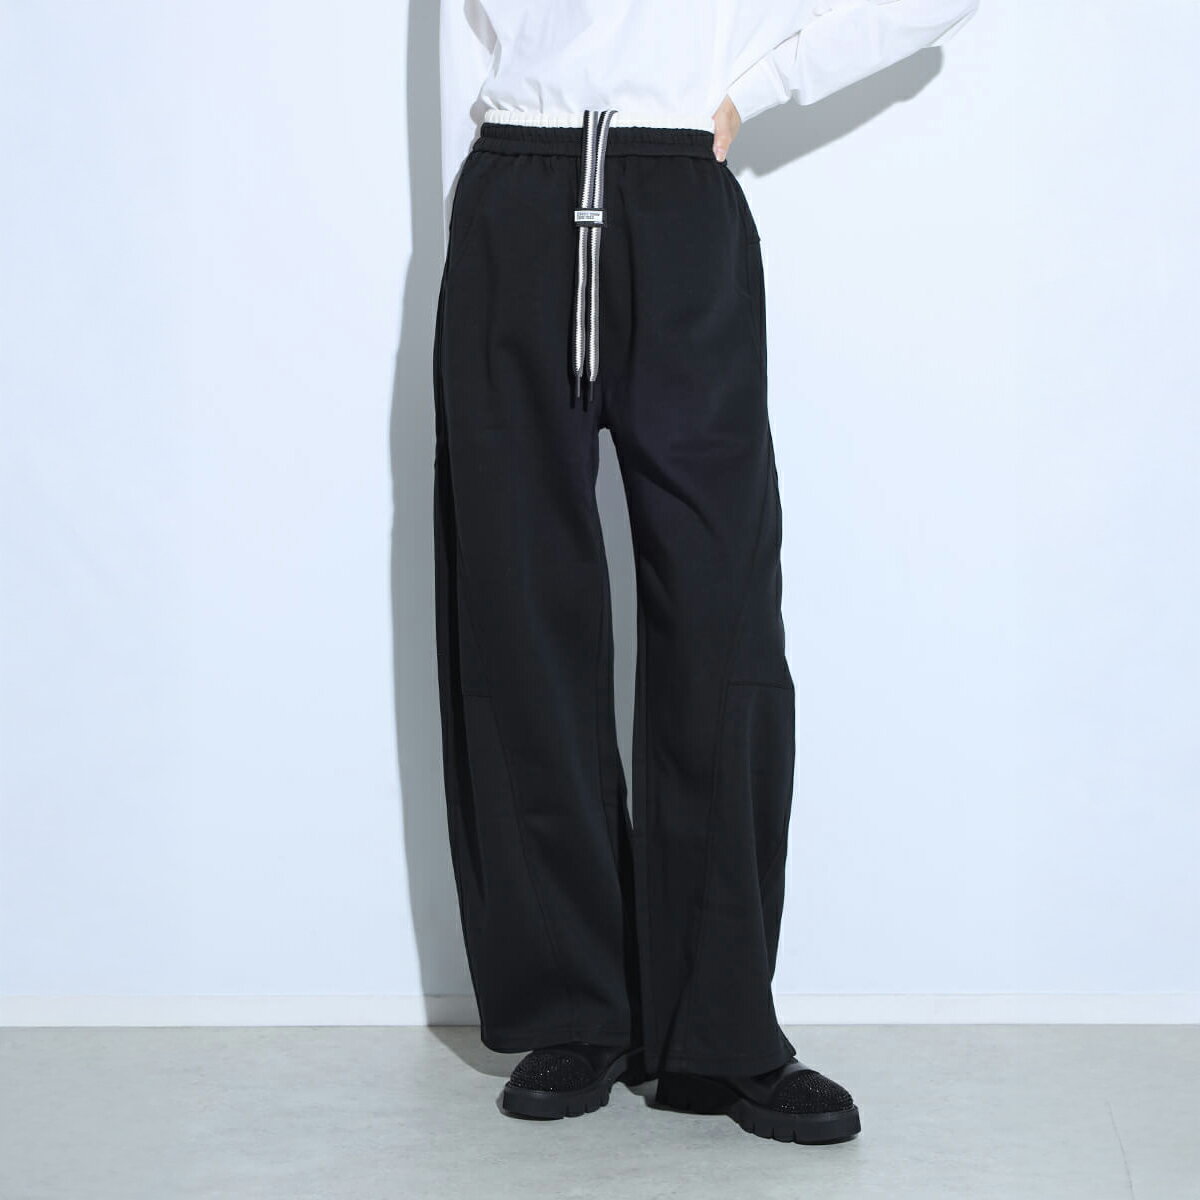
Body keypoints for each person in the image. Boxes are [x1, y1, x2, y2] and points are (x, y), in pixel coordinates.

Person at [432, 0, 980, 1145]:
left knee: (720, 610)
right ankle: (572, 1008)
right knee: (517, 607)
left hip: (680, 190)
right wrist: (472, 206)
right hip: (512, 191)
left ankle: (719, 1026)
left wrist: (761, 86)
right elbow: (464, 35)